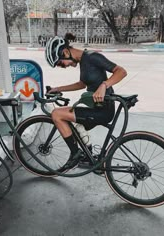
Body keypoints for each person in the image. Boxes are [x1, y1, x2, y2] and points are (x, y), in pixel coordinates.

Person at [45, 33, 127, 169]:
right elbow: (81, 84)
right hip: (96, 108)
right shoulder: (84, 61)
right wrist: (57, 89)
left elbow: (121, 71)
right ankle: (87, 154)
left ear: (65, 52)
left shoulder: (92, 57)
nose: (63, 67)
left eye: (60, 63)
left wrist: (104, 85)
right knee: (67, 117)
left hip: (102, 110)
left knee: (57, 114)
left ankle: (75, 155)